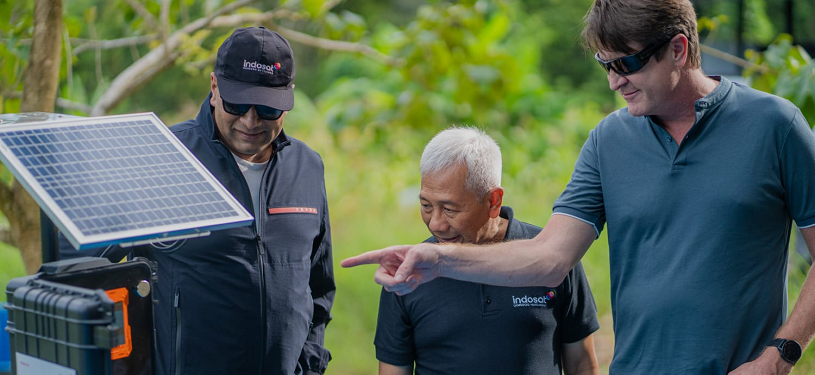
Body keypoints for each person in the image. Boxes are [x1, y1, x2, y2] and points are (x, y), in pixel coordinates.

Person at [342, 1, 815, 374]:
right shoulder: (609, 140)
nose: (614, 82)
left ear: (678, 48)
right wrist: (437, 258)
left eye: (626, 64)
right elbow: (547, 259)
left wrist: (779, 356)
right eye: (604, 65)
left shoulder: (774, 125)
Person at [60, 27, 335, 375]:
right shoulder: (163, 157)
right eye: (237, 104)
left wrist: (309, 365)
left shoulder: (307, 166)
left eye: (266, 108)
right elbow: (74, 268)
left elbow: (318, 287)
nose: (250, 121)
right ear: (214, 87)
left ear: (287, 98)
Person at [375, 127, 600, 375]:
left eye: (450, 209)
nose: (436, 223)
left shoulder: (550, 255)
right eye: (426, 205)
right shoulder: (408, 272)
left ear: (493, 201)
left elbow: (582, 364)